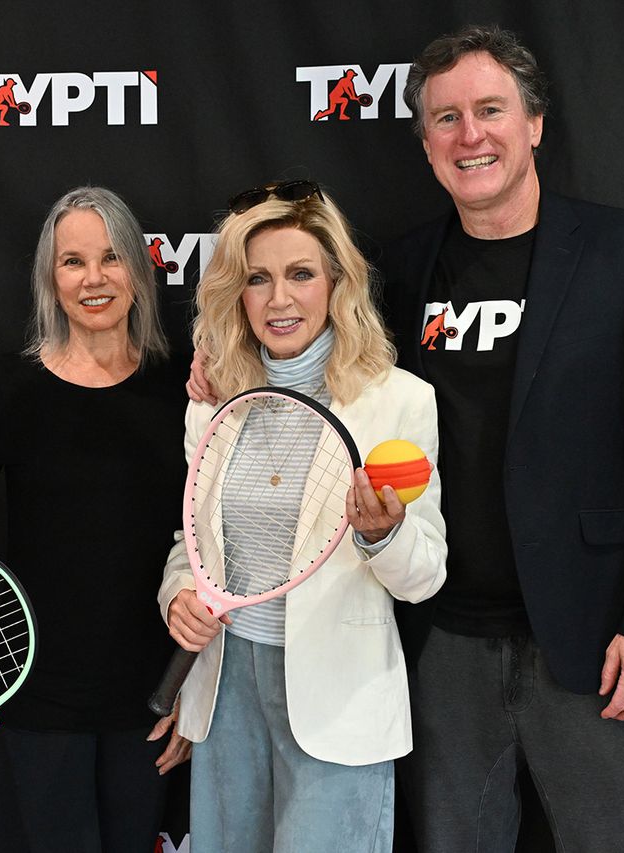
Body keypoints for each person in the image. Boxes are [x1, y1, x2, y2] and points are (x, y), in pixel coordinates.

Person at [380, 25, 624, 851]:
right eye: (446, 119)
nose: (470, 134)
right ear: (425, 147)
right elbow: (320, 373)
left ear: (533, 123)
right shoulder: (396, 271)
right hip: (443, 641)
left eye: (490, 110)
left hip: (597, 637)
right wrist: (221, 368)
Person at [163, 181, 447, 852]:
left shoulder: (400, 402)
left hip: (337, 699)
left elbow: (425, 575)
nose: (279, 298)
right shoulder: (211, 401)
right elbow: (193, 542)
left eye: (300, 274)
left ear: (337, 282)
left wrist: (384, 534)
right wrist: (177, 593)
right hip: (225, 693)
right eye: (258, 278)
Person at [0, 186, 190, 852]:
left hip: (151, 696)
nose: (93, 278)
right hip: (39, 692)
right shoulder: (9, 389)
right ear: (50, 277)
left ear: (138, 269)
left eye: (110, 258)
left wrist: (194, 685)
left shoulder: (183, 388)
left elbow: (207, 548)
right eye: (73, 261)